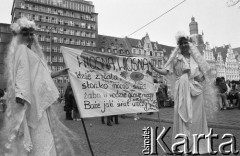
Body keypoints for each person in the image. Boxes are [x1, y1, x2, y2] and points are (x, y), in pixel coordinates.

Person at [1, 17, 77, 155]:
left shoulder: (28, 53)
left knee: (39, 136)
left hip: (35, 103)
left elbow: (45, 75)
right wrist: (21, 95)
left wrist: (61, 72)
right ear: (18, 35)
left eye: (31, 34)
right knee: (41, 137)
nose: (30, 37)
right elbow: (21, 74)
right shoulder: (22, 50)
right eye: (26, 33)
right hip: (31, 102)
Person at [150, 32, 217, 155]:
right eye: (181, 43)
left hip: (196, 92)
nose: (184, 45)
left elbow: (202, 76)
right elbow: (166, 71)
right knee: (183, 117)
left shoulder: (196, 59)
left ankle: (197, 145)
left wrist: (203, 79)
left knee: (197, 118)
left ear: (189, 44)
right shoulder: (176, 59)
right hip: (182, 90)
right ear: (178, 46)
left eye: (185, 42)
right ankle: (184, 145)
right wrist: (154, 69)